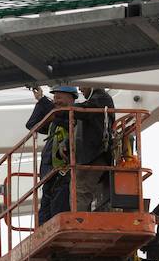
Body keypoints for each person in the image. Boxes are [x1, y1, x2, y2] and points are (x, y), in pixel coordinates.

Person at [48, 85, 116, 217]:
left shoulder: (101, 98)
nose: (80, 89)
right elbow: (80, 125)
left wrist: (64, 110)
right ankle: (80, 220)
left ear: (92, 83)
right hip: (89, 155)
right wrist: (66, 143)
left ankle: (78, 222)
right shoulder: (95, 101)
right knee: (78, 191)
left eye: (82, 84)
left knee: (81, 191)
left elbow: (85, 111)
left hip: (95, 154)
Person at [26, 85, 79, 225]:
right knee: (45, 212)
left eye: (59, 97)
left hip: (64, 172)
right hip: (48, 171)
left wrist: (44, 101)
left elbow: (65, 119)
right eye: (54, 97)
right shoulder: (54, 121)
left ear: (71, 99)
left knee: (59, 207)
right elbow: (32, 124)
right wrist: (41, 100)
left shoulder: (76, 115)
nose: (56, 101)